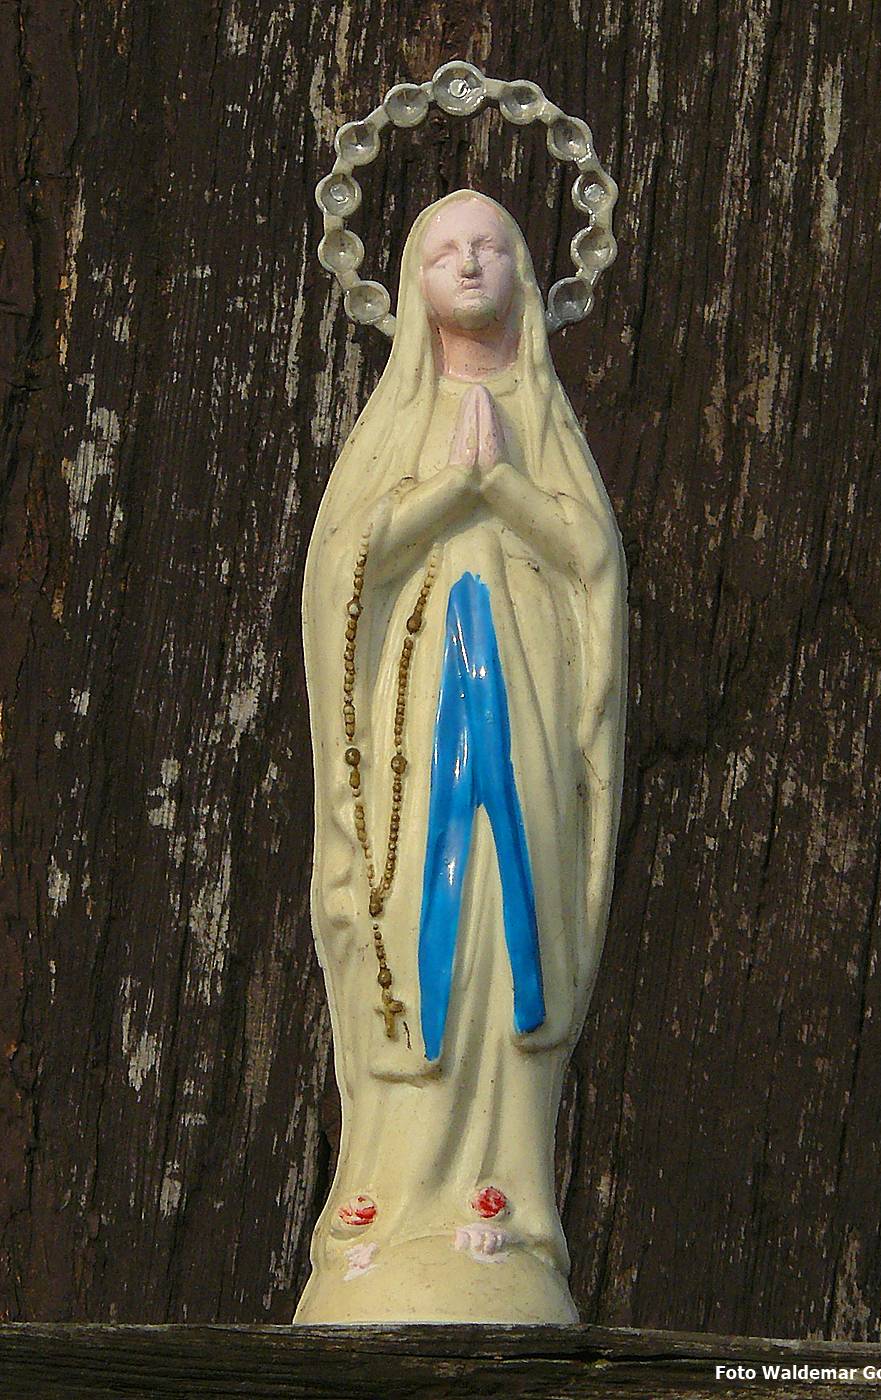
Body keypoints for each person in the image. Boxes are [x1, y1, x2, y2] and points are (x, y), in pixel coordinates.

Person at [294, 189, 627, 1323]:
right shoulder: (398, 421)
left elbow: (592, 562)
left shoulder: (540, 419)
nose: (471, 263)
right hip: (412, 729)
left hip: (524, 720)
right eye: (445, 249)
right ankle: (388, 1206)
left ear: (526, 271)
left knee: (507, 933)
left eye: (491, 245)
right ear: (413, 281)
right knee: (407, 930)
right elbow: (342, 569)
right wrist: (449, 491)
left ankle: (502, 1205)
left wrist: (508, 492)